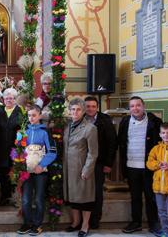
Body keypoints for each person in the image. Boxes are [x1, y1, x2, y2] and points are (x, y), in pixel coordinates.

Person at [118, 96, 162, 235]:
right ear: (129, 108)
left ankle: (154, 223)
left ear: (143, 106)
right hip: (131, 166)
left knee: (151, 196)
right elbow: (122, 143)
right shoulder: (125, 122)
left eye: (138, 105)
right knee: (135, 196)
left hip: (149, 166)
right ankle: (136, 222)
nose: (135, 108)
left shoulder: (155, 122)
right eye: (132, 106)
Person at [17, 105, 57, 236]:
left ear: (40, 116)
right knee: (26, 199)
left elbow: (52, 152)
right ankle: (27, 223)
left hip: (41, 171)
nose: (31, 118)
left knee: (39, 199)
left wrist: (42, 165)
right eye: (29, 115)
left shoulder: (45, 132)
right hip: (27, 172)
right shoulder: (23, 132)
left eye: (34, 115)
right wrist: (19, 163)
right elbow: (17, 151)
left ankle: (37, 224)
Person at [63, 98, 98, 237]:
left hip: (81, 168)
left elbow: (93, 152)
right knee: (73, 197)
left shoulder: (90, 128)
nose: (75, 112)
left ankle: (85, 225)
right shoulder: (68, 126)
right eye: (73, 109)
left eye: (78, 109)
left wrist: (87, 170)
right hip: (68, 168)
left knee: (85, 199)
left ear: (83, 111)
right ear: (69, 111)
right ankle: (75, 222)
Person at [84, 96, 117, 229]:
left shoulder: (105, 119)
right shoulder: (80, 119)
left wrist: (109, 163)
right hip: (82, 162)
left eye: (93, 106)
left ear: (97, 107)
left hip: (99, 162)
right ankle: (84, 220)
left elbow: (112, 142)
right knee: (84, 191)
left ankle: (95, 219)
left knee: (97, 192)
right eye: (88, 106)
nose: (90, 109)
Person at [0, 88, 22, 205]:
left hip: (15, 148)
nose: (9, 100)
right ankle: (4, 197)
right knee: (3, 173)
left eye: (11, 98)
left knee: (15, 172)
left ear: (15, 99)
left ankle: (16, 198)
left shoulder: (20, 111)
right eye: (6, 98)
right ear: (3, 99)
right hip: (1, 148)